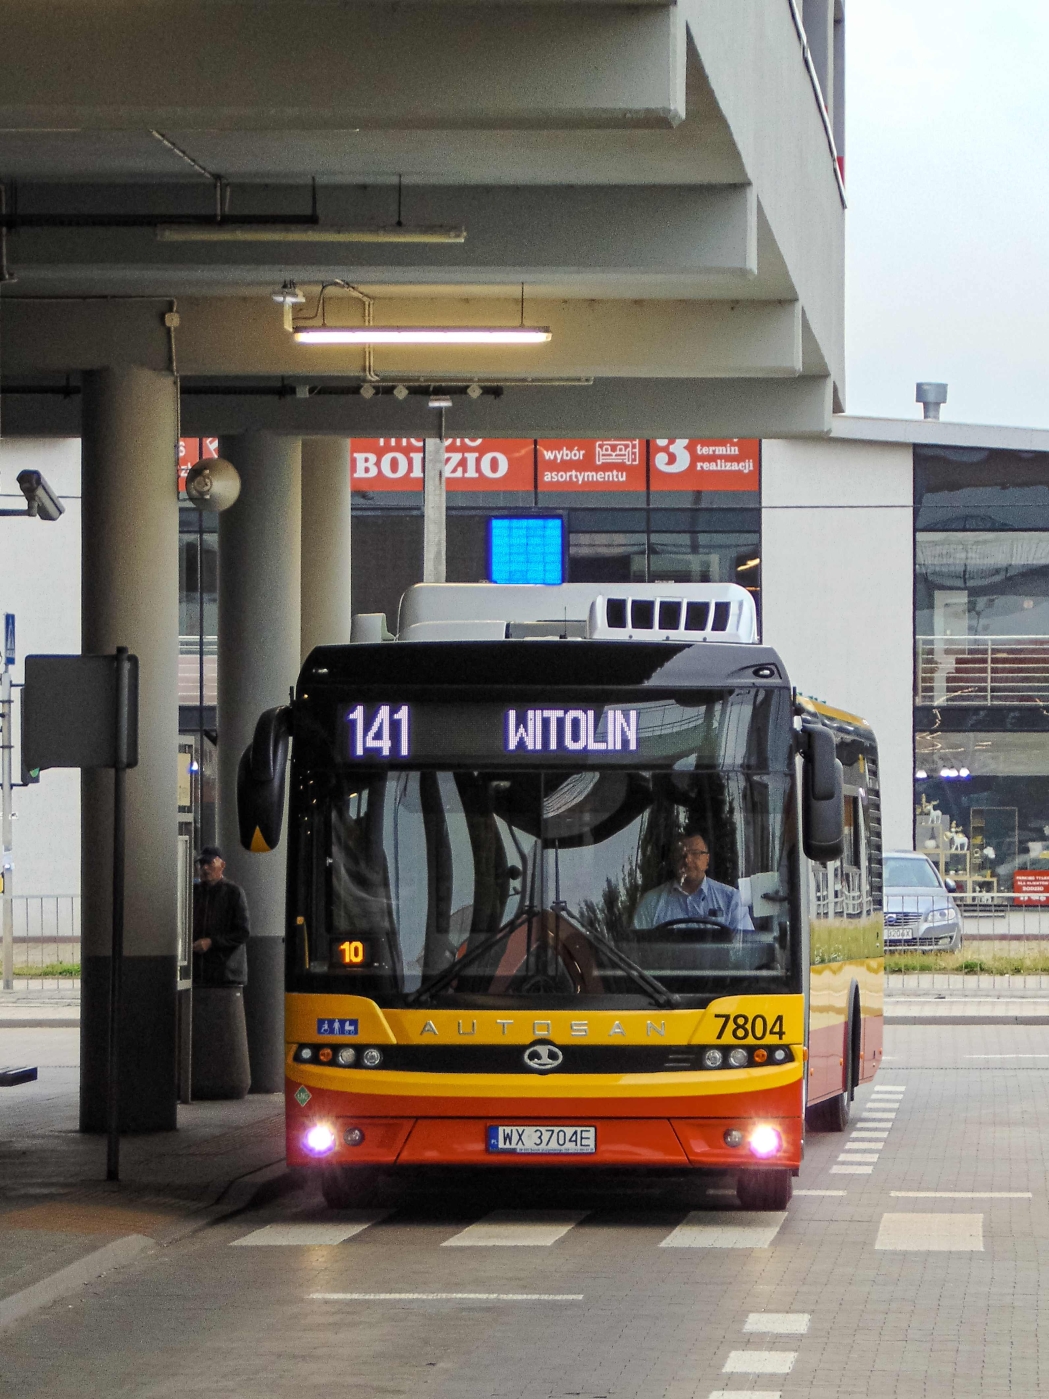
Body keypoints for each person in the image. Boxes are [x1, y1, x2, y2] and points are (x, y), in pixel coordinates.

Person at [633, 832, 753, 933]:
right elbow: (636, 951)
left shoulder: (731, 900)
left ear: (707, 859)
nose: (687, 860)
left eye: (695, 853)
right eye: (681, 854)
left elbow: (745, 951)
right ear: (672, 860)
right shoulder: (651, 903)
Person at [192, 846, 251, 986]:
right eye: (202, 864)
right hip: (200, 975)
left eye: (210, 863)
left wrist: (211, 942)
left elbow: (243, 933)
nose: (205, 868)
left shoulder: (234, 892)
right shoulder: (195, 892)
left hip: (226, 975)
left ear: (222, 865)